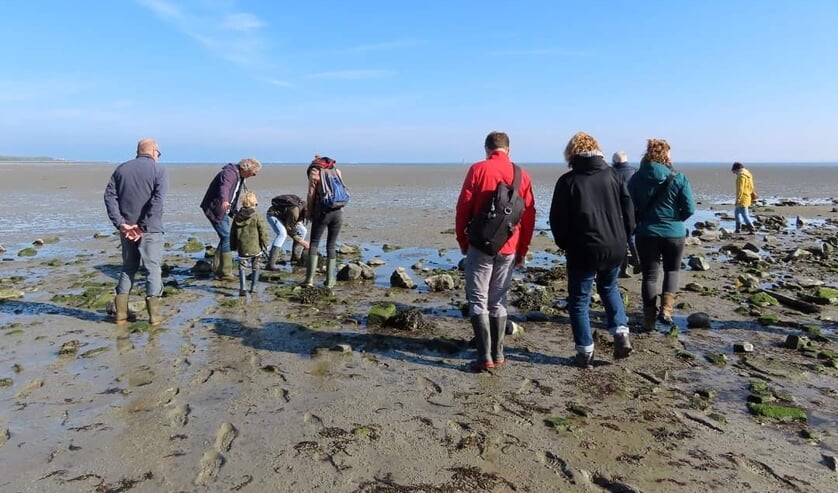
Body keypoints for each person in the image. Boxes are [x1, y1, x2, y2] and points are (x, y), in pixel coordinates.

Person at [550, 133, 635, 368]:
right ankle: (621, 332)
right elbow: (629, 213)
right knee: (609, 288)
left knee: (578, 301)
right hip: (614, 245)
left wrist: (565, 243)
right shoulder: (615, 176)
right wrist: (624, 237)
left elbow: (557, 220)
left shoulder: (568, 181)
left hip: (582, 249)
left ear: (571, 153)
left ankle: (585, 352)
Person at [455, 131, 536, 372]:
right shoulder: (523, 175)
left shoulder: (478, 169)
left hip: (480, 244)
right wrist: (523, 249)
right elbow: (530, 215)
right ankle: (498, 353)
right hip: (510, 245)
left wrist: (463, 240)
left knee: (478, 299)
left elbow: (463, 207)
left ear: (486, 149)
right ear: (508, 150)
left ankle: (484, 357)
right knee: (498, 299)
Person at [628, 139, 695, 331]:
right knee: (672, 270)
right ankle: (666, 311)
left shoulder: (636, 178)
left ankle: (649, 320)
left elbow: (629, 207)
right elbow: (689, 208)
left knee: (649, 276)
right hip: (674, 233)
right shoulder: (678, 177)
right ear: (665, 155)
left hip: (646, 232)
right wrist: (676, 220)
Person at [103, 138, 168, 326]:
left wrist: (122, 224)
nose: (158, 156)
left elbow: (109, 198)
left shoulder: (121, 169)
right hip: (149, 230)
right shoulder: (159, 170)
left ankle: (121, 315)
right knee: (153, 269)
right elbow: (158, 201)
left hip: (128, 229)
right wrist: (141, 226)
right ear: (154, 151)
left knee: (128, 267)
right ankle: (154, 316)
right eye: (159, 152)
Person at [200, 158, 262, 281]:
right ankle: (225, 272)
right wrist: (224, 200)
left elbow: (234, 194)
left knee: (225, 237)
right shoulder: (229, 173)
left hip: (225, 208)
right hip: (215, 207)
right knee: (227, 237)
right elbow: (225, 188)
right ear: (247, 169)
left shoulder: (240, 176)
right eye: (253, 173)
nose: (254, 175)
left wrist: (234, 212)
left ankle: (217, 268)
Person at [303, 155, 345, 288]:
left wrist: (308, 211)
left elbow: (311, 194)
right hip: (338, 212)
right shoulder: (336, 171)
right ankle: (330, 281)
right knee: (331, 246)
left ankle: (309, 280)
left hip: (322, 212)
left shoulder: (315, 173)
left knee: (314, 243)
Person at [230, 191, 270, 297]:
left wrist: (233, 246)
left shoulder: (237, 216)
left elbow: (232, 233)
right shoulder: (256, 216)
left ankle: (243, 288)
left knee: (242, 267)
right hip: (255, 247)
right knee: (256, 266)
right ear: (254, 203)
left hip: (242, 247)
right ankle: (254, 288)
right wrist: (266, 243)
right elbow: (263, 231)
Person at [611, 151, 639, 278]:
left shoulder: (611, 173)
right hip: (633, 209)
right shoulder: (635, 172)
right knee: (631, 237)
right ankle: (638, 260)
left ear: (615, 161)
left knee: (622, 240)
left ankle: (624, 268)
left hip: (616, 210)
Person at [265, 194, 309, 270]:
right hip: (273, 215)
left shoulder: (305, 208)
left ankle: (295, 259)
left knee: (303, 231)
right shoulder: (295, 212)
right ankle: (270, 264)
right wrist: (302, 241)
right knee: (282, 234)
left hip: (286, 216)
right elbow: (289, 229)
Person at [732, 161, 757, 234]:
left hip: (743, 197)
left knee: (744, 214)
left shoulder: (741, 176)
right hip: (747, 195)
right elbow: (751, 187)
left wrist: (738, 198)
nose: (735, 174)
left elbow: (740, 189)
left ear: (736, 169)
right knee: (737, 213)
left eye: (734, 172)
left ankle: (752, 229)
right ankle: (738, 229)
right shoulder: (748, 174)